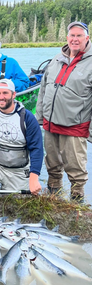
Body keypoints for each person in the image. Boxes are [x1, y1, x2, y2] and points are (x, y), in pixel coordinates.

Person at [36, 21, 92, 203]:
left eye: (79, 36)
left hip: (75, 126)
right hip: (50, 124)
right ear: (67, 38)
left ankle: (78, 204)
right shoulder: (56, 59)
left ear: (87, 38)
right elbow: (43, 89)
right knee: (52, 165)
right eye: (72, 36)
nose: (75, 39)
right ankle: (54, 200)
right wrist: (39, 117)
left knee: (76, 170)